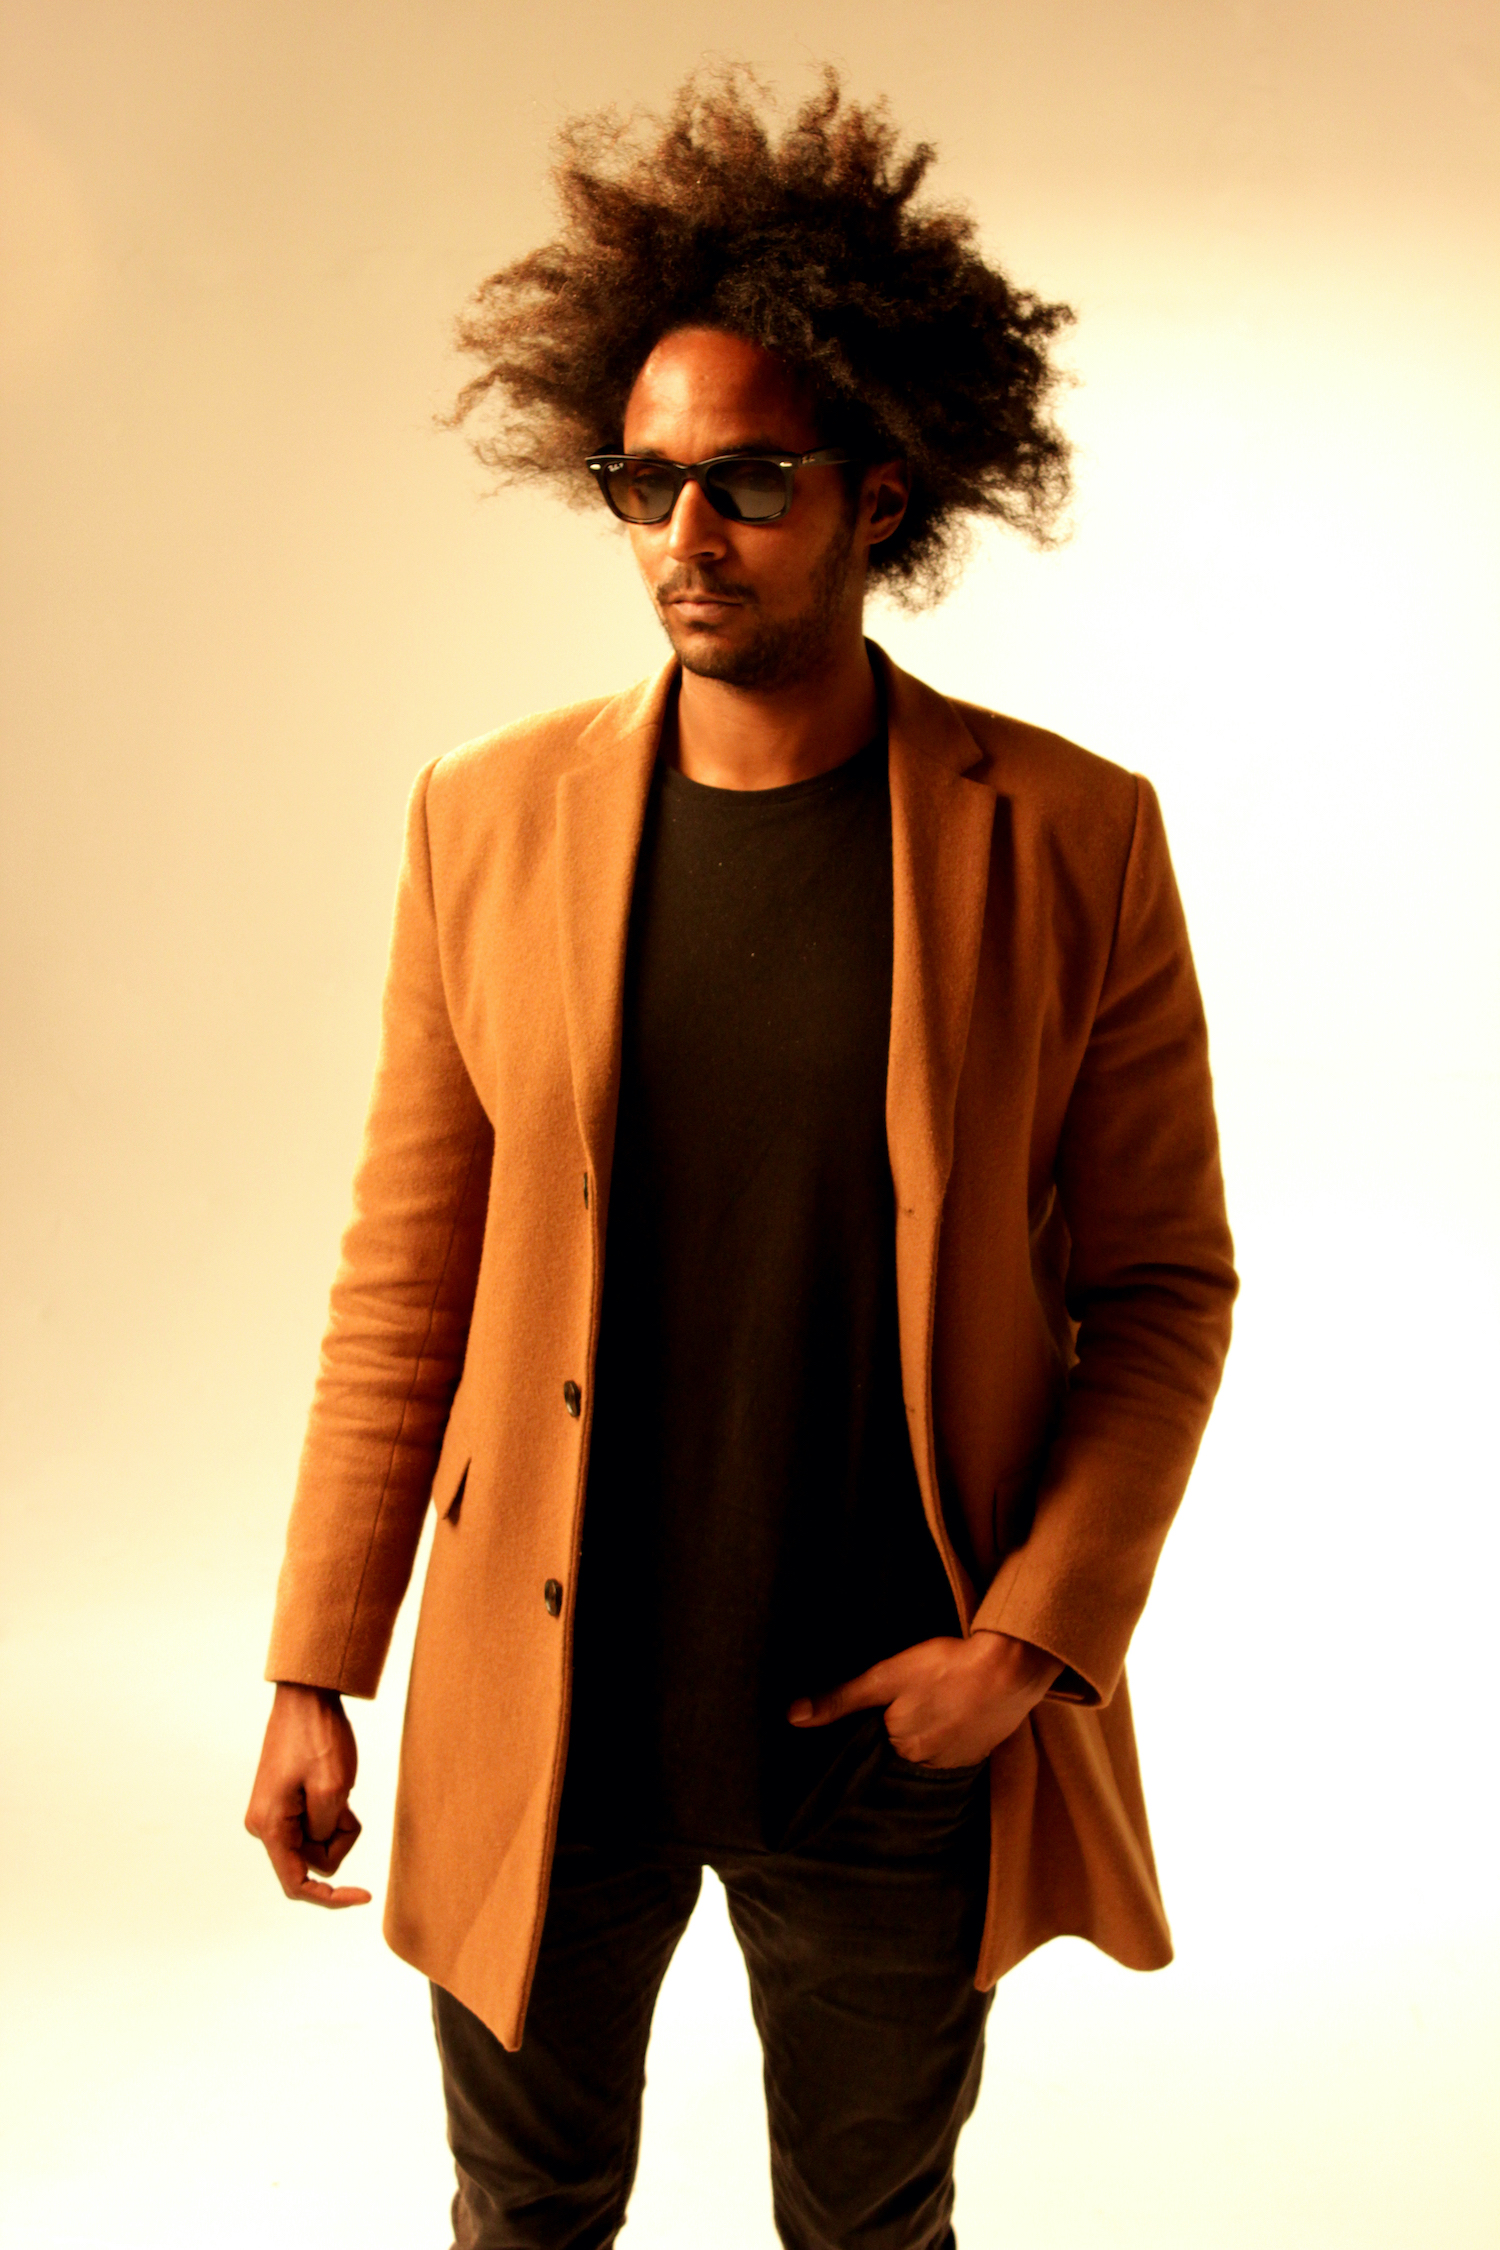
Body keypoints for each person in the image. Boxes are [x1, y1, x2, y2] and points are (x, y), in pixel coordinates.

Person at [245, 68, 1237, 2250]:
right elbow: (404, 1275)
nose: (684, 539)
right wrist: (319, 1657)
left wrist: (1034, 1645)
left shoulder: (1070, 840)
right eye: (646, 481)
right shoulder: (485, 821)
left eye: (750, 486)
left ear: (883, 495)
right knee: (524, 2220)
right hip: (554, 1688)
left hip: (891, 1716)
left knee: (871, 2228)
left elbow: (1164, 1291)